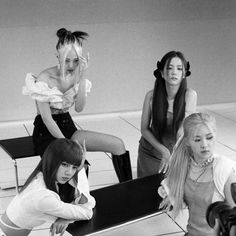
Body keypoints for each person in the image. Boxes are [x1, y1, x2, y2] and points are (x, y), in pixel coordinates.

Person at [22, 28, 132, 182]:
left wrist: (82, 76)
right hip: (46, 131)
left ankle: (128, 190)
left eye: (76, 61)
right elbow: (47, 119)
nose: (71, 65)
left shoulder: (77, 75)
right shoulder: (44, 78)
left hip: (68, 126)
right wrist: (69, 146)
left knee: (118, 144)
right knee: (80, 165)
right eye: (66, 60)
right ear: (57, 56)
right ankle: (74, 202)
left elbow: (79, 108)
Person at [158, 113, 236, 236]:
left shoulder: (224, 169)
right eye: (197, 140)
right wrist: (170, 194)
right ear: (188, 141)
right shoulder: (185, 167)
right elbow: (181, 194)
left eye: (209, 138)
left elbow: (234, 220)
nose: (204, 145)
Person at [0, 138, 96, 236]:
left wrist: (65, 219)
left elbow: (76, 202)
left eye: (74, 167)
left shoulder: (41, 175)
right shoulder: (43, 196)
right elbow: (87, 212)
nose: (69, 172)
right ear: (51, 161)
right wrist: (66, 218)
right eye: (64, 164)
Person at [137, 51, 197, 178]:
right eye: (169, 68)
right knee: (148, 192)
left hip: (176, 151)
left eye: (179, 68)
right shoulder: (151, 96)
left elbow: (182, 131)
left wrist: (174, 154)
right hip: (151, 151)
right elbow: (144, 129)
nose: (174, 72)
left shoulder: (190, 95)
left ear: (184, 74)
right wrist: (164, 151)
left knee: (174, 191)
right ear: (162, 73)